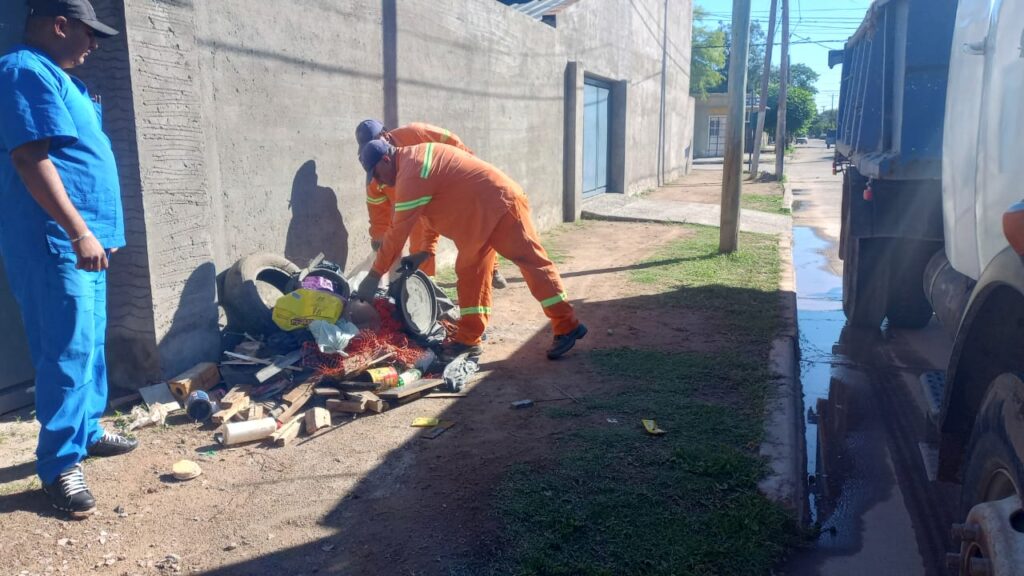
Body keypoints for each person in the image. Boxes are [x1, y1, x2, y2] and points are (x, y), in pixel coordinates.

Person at [0, 0, 137, 519]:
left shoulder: (63, 79)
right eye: (88, 34)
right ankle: (59, 462)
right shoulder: (22, 70)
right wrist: (79, 231)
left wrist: (103, 230)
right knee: (64, 348)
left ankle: (87, 428)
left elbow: (81, 160)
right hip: (53, 240)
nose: (93, 46)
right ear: (60, 25)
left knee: (89, 342)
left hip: (86, 240)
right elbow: (30, 157)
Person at [355, 139, 587, 360]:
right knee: (470, 274)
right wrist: (425, 252)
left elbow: (397, 234)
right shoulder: (411, 164)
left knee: (532, 263)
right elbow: (429, 213)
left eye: (377, 175)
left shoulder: (412, 171)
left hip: (501, 206)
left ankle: (567, 325)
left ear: (386, 159)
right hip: (477, 222)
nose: (380, 183)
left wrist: (375, 275)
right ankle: (468, 340)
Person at [355, 119, 507, 288]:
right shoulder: (374, 167)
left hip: (444, 193)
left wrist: (468, 173)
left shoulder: (415, 134)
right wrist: (377, 237)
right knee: (420, 248)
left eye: (375, 142)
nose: (372, 148)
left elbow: (452, 143)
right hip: (412, 210)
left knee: (478, 231)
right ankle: (427, 288)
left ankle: (492, 269)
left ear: (385, 135)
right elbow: (377, 208)